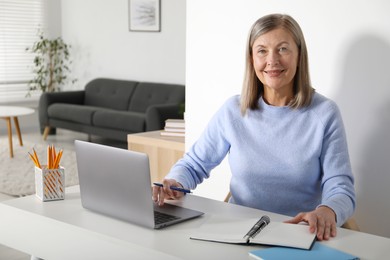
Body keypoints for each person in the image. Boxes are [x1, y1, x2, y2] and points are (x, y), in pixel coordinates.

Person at [152, 13, 355, 241]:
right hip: (239, 231)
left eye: (283, 49)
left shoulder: (324, 113)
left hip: (300, 234)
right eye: (262, 51)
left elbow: (340, 187)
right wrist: (174, 182)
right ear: (251, 59)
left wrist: (328, 210)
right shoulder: (233, 110)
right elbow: (194, 164)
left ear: (299, 55)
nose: (272, 60)